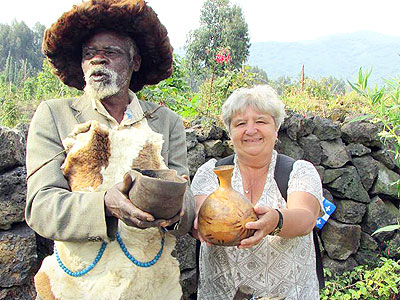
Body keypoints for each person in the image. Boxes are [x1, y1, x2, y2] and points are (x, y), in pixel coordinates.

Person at [25, 0, 194, 298]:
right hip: (76, 288)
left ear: (135, 62)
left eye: (111, 53)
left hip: (152, 287)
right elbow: (41, 208)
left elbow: (186, 203)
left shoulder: (166, 122)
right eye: (89, 54)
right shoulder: (55, 115)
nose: (97, 61)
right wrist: (105, 204)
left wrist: (175, 212)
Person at [191, 85, 323, 300]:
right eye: (240, 123)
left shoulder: (298, 171)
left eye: (261, 121)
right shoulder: (210, 173)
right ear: (230, 132)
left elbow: (306, 218)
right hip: (222, 292)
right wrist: (198, 224)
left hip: (288, 293)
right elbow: (201, 214)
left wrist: (276, 220)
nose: (250, 130)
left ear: (276, 129)